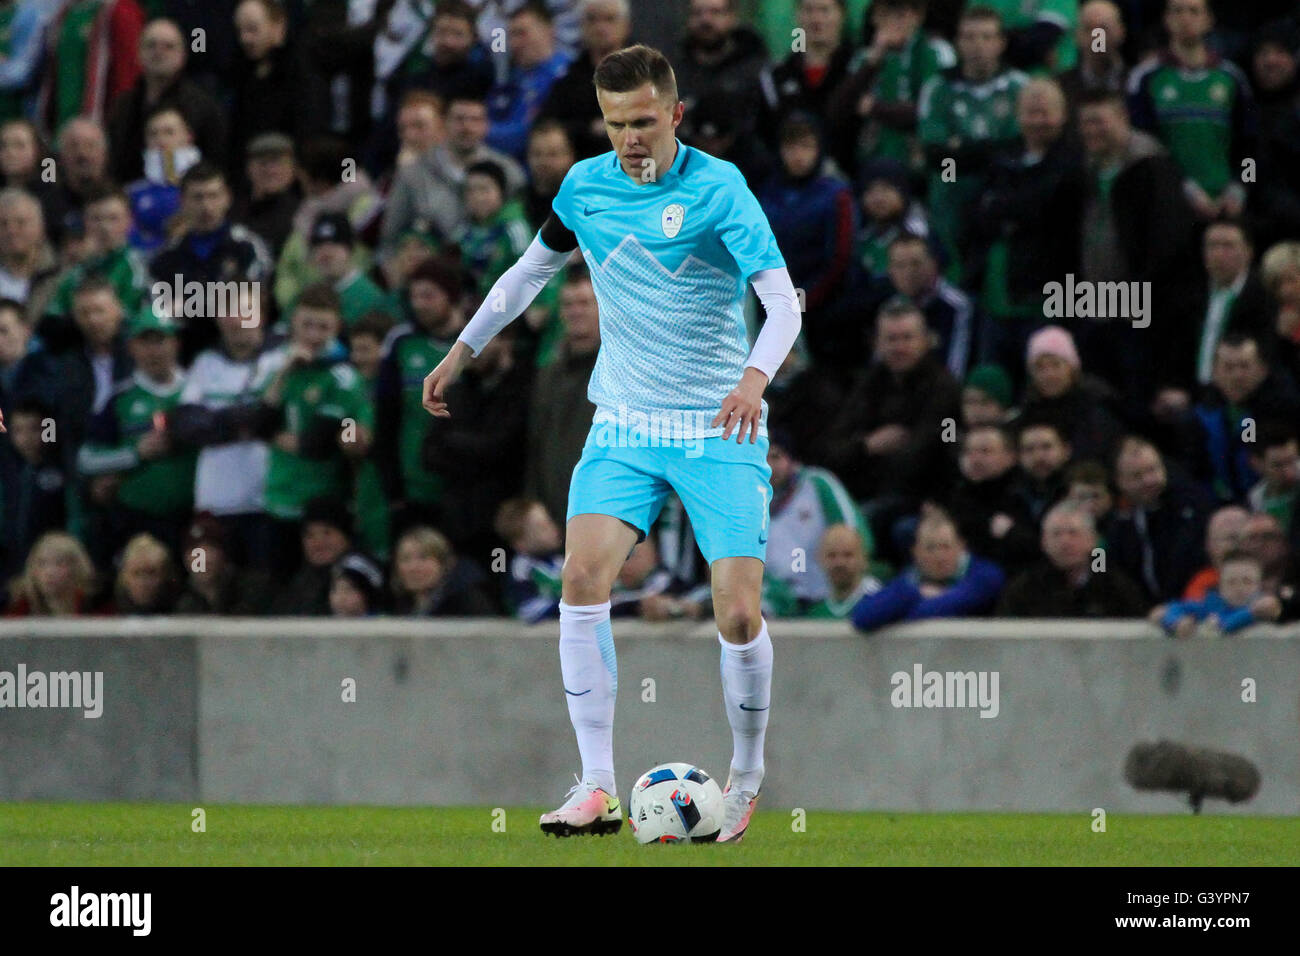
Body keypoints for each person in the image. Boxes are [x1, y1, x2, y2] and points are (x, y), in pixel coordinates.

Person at [421, 45, 801, 842]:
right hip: (625, 422)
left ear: (676, 115)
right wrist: (461, 350)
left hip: (718, 424)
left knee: (737, 614)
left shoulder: (719, 189)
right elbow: (527, 273)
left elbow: (782, 305)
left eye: (644, 122)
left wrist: (753, 382)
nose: (630, 138)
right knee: (581, 577)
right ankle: (597, 785)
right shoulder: (585, 186)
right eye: (616, 123)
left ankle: (750, 770)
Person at [849, 507, 1004, 630]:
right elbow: (862, 617)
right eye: (930, 548)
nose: (939, 556)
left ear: (961, 547)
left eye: (946, 547)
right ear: (916, 552)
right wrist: (917, 593)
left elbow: (937, 609)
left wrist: (898, 611)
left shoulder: (985, 576)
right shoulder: (911, 578)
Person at [998, 499, 1149, 617]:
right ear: (1044, 542)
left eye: (1073, 533)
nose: (1065, 542)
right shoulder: (1023, 589)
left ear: (1093, 540)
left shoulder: (1115, 587)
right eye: (1056, 534)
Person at [1154, 550, 1271, 637]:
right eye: (1231, 582)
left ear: (1260, 585)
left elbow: (1225, 626)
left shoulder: (1266, 608)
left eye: (1247, 581)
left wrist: (1252, 613)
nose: (1239, 588)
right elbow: (1174, 608)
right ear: (1220, 586)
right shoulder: (1209, 606)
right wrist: (1177, 622)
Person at [804, 523, 882, 618]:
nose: (839, 563)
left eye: (848, 555)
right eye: (831, 555)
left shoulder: (878, 603)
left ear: (863, 559)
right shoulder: (816, 611)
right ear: (820, 559)